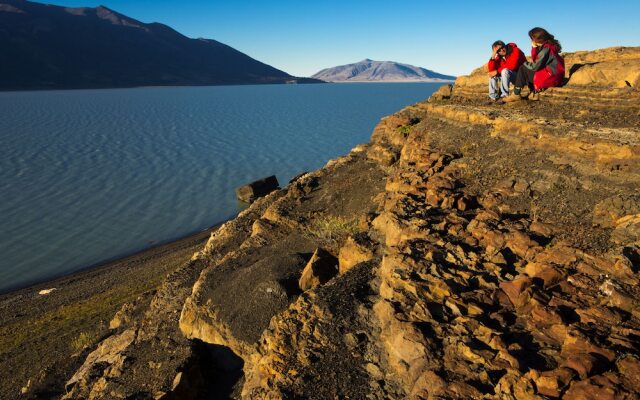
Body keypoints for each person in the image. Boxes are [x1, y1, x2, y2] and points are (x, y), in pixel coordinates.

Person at [503, 27, 565, 102]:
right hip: (555, 75)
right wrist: (534, 48)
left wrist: (524, 63)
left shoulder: (546, 49)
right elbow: (536, 60)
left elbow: (535, 66)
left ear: (537, 39)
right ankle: (532, 91)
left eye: (532, 38)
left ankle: (516, 94)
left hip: (551, 77)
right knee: (526, 69)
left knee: (523, 68)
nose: (531, 40)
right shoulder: (549, 46)